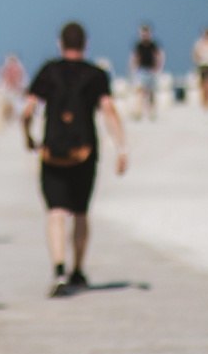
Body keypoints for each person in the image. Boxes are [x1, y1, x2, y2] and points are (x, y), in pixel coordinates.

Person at [21, 22, 128, 297]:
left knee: (56, 212)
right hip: (85, 152)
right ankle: (78, 270)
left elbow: (28, 110)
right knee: (80, 211)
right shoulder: (96, 74)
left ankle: (59, 270)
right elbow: (108, 110)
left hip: (52, 153)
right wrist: (122, 148)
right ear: (85, 44)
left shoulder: (49, 70)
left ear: (60, 43)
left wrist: (28, 137)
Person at [128, 24, 164, 120]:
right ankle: (138, 112)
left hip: (151, 70)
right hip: (141, 70)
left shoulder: (153, 45)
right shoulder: (138, 45)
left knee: (151, 93)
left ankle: (152, 112)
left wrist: (158, 68)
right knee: (140, 92)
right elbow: (134, 58)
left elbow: (159, 56)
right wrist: (132, 70)